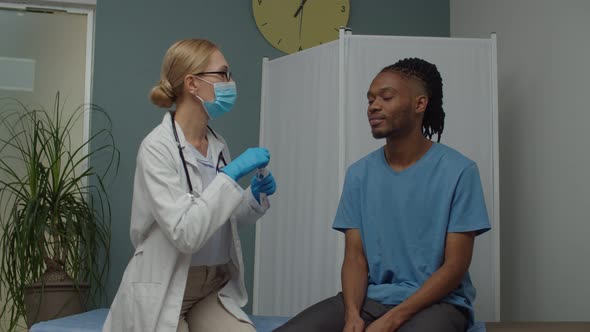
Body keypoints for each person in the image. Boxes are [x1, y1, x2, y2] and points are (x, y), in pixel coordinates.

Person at [274, 58, 490, 332]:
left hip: (438, 304)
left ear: (419, 104)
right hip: (370, 301)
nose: (373, 106)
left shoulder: (459, 171)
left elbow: (455, 265)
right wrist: (352, 314)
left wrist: (393, 320)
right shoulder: (359, 174)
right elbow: (355, 258)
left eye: (386, 97)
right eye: (370, 99)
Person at [103, 39, 276, 332]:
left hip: (210, 285)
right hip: (169, 283)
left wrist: (251, 199)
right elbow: (187, 234)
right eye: (222, 74)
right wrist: (230, 176)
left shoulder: (218, 145)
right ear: (192, 84)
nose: (230, 82)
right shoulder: (157, 148)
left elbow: (219, 219)